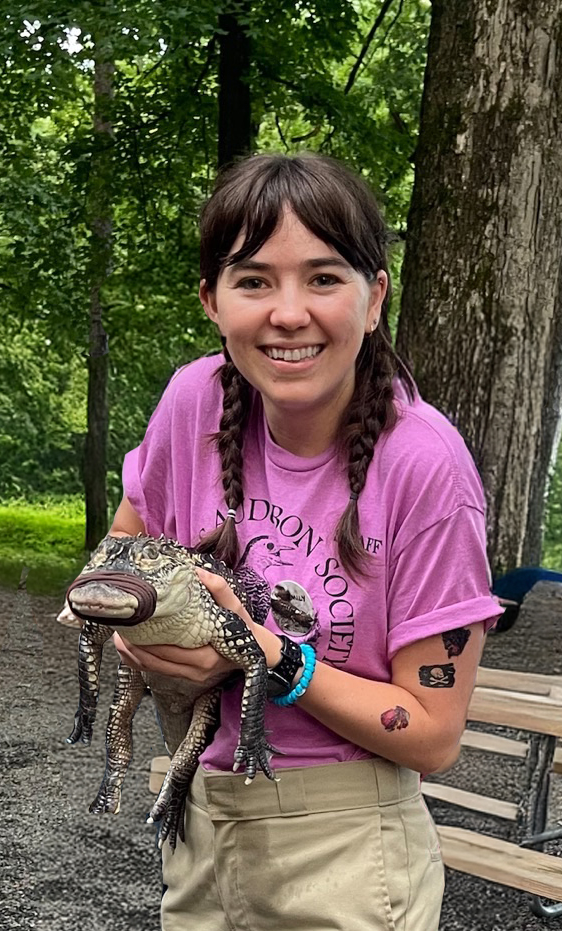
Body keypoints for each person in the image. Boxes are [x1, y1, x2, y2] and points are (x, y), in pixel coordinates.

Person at [107, 152, 500, 931]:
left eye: (323, 278)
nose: (288, 312)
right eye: (253, 280)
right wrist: (131, 618)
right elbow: (124, 541)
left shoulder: (424, 464)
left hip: (349, 851)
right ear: (212, 302)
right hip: (202, 820)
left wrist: (263, 653)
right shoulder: (194, 402)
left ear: (374, 296)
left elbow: (430, 734)